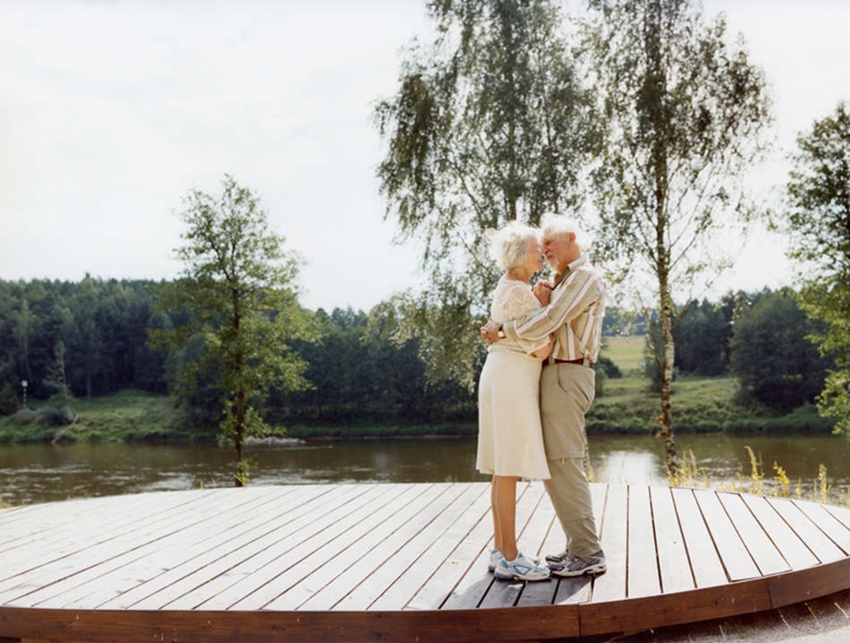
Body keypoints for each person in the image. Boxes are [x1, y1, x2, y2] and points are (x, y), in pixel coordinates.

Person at [480, 213, 607, 578]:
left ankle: (587, 552)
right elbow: (544, 321)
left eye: (549, 244)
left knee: (563, 460)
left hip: (568, 372)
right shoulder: (558, 280)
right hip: (549, 374)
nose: (545, 251)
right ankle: (576, 548)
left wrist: (502, 331)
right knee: (554, 463)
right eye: (541, 247)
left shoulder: (585, 277)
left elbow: (549, 322)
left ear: (571, 238)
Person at [477, 220, 553, 582]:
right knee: (506, 469)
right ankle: (510, 555)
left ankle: (499, 550)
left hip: (499, 376)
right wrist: (543, 308)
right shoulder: (521, 292)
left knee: (501, 470)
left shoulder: (508, 286)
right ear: (523, 254)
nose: (543, 253)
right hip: (511, 381)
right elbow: (543, 348)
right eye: (538, 248)